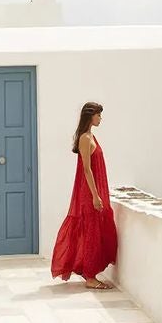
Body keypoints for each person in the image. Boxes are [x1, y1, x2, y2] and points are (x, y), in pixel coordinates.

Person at [50, 102, 119, 289]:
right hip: (89, 194)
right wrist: (96, 196)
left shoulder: (92, 136)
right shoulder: (85, 138)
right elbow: (87, 170)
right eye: (98, 115)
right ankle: (90, 277)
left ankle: (90, 272)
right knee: (91, 233)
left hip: (94, 192)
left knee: (97, 231)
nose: (100, 118)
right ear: (90, 116)